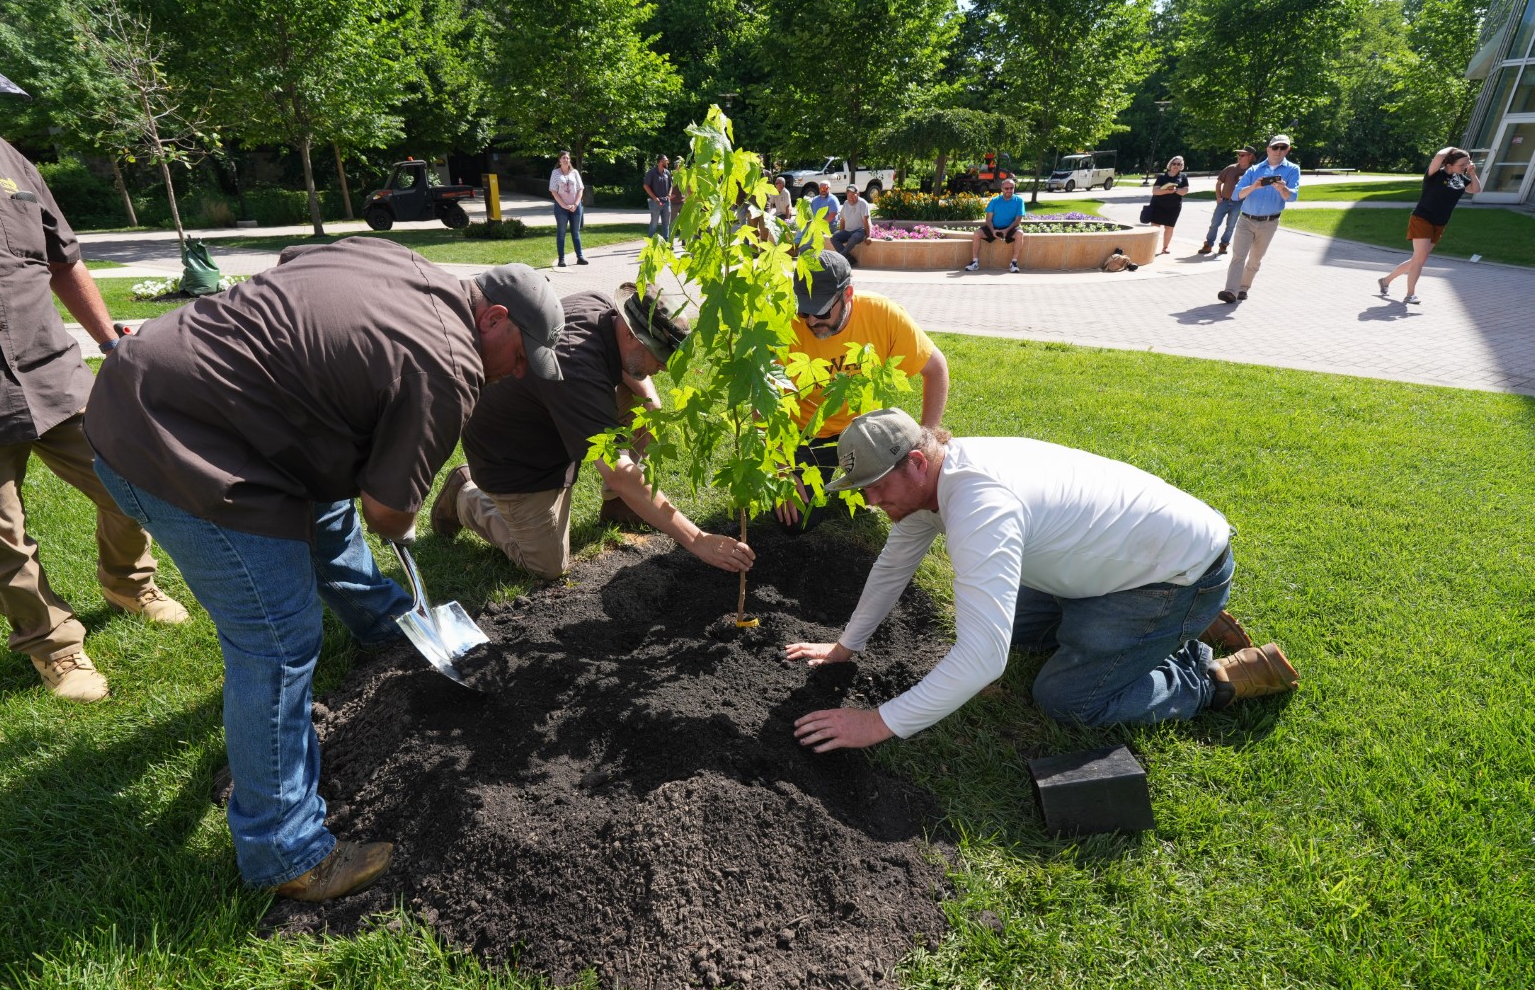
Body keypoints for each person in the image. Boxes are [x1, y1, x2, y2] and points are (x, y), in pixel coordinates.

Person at [86, 237, 564, 902]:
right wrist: (400, 507)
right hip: (175, 444)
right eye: (518, 361)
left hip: (157, 386)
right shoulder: (449, 366)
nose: (514, 376)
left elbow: (289, 263)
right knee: (277, 641)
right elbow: (387, 512)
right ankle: (287, 854)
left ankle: (388, 625)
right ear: (496, 319)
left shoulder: (399, 261)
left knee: (325, 513)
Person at [0, 0, 188, 705]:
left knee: (136, 483)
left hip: (54, 376)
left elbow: (63, 257)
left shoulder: (3, 156)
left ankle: (130, 585)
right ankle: (52, 643)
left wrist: (104, 338)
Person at [787, 408, 1299, 752]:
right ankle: (1166, 627)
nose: (870, 502)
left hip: (1178, 573)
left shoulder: (979, 504)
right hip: (1118, 563)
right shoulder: (936, 480)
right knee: (1013, 628)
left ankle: (1202, 673)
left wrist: (876, 723)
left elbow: (983, 660)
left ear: (917, 461)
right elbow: (894, 565)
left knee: (1066, 700)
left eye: (875, 487)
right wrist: (845, 646)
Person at [434, 285, 756, 579]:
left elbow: (624, 369)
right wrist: (697, 540)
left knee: (646, 409)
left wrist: (650, 400)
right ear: (631, 334)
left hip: (552, 413)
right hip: (513, 452)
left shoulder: (603, 310)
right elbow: (617, 469)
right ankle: (466, 496)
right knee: (547, 565)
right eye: (659, 357)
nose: (661, 368)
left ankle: (618, 505)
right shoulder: (575, 365)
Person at [774, 251, 948, 533]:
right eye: (803, 311)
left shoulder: (883, 314)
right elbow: (765, 404)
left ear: (848, 294)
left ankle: (859, 480)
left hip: (866, 434)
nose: (810, 322)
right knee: (794, 524)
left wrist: (928, 439)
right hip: (805, 434)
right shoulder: (784, 329)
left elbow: (936, 368)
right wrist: (782, 470)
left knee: (906, 497)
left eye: (821, 311)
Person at [1377, 147, 1481, 305]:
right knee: (1419, 259)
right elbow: (1439, 155)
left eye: (1467, 164)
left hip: (1440, 222)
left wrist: (1472, 173)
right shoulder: (1435, 174)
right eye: (1462, 164)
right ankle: (1410, 295)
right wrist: (1453, 148)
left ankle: (1385, 281)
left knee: (1419, 258)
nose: (1465, 167)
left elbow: (1476, 189)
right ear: (1449, 164)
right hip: (1422, 218)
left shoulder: (1461, 178)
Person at [1218, 134, 1300, 304]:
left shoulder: (1292, 170)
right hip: (1246, 220)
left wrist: (1282, 189)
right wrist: (1254, 186)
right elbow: (1236, 195)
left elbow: (1292, 197)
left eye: (1283, 148)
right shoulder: (1254, 170)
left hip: (1269, 223)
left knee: (1255, 259)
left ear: (1288, 150)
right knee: (1238, 256)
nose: (1278, 151)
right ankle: (1230, 291)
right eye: (1275, 147)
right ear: (1268, 149)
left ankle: (1243, 288)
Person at [1200, 146, 1255, 256]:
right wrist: (1218, 197)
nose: (1239, 157)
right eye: (1238, 155)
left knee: (1230, 226)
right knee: (1214, 224)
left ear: (1250, 156)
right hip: (1224, 201)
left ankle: (1223, 245)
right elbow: (1219, 183)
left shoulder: (1253, 171)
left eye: (1242, 155)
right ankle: (1208, 245)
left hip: (1239, 204)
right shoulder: (1230, 168)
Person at [964, 178, 1025, 272]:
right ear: (1002, 189)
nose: (1009, 190)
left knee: (1020, 233)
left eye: (1011, 188)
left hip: (1010, 228)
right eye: (1006, 188)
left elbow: (1018, 220)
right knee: (977, 233)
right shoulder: (995, 200)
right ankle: (975, 262)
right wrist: (992, 231)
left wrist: (1006, 230)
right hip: (994, 227)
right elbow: (988, 219)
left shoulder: (1019, 200)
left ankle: (1014, 263)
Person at [549, 151, 588, 267]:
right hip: (561, 208)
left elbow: (580, 189)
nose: (566, 160)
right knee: (561, 233)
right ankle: (561, 259)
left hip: (575, 207)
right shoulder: (555, 173)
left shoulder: (574, 172)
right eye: (563, 158)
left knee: (575, 232)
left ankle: (580, 257)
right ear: (559, 160)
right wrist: (564, 205)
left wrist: (575, 204)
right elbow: (553, 191)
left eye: (567, 158)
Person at [1146, 156, 1189, 255]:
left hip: (1174, 207)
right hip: (1158, 205)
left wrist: (1176, 190)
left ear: (1181, 166)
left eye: (1179, 164)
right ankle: (1150, 247)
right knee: (1155, 227)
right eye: (1174, 164)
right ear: (1170, 165)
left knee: (1169, 228)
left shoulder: (1183, 177)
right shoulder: (1162, 177)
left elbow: (1185, 191)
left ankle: (1165, 248)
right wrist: (1167, 191)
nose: (1176, 166)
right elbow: (1155, 191)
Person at [832, 184, 872, 263]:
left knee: (854, 237)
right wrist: (841, 233)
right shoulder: (846, 203)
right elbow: (842, 220)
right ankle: (850, 259)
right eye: (848, 195)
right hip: (848, 231)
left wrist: (868, 237)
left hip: (860, 231)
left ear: (858, 194)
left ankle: (841, 257)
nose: (850, 197)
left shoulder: (863, 203)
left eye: (853, 194)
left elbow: (866, 221)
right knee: (834, 238)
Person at [644, 154, 673, 241]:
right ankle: (650, 243)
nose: (667, 162)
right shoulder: (652, 172)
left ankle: (666, 243)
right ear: (660, 162)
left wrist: (669, 195)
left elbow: (671, 185)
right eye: (666, 160)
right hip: (655, 202)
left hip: (666, 202)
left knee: (666, 224)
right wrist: (654, 197)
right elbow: (646, 186)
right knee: (654, 223)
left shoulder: (667, 172)